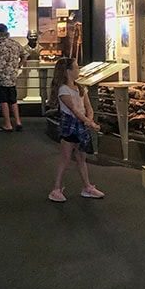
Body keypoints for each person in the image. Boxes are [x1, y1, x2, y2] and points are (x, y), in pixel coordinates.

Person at [48, 58, 104, 203]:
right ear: (68, 71)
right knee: (66, 158)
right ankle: (56, 189)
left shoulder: (80, 88)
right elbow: (73, 110)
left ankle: (87, 186)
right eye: (76, 68)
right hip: (70, 126)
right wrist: (89, 123)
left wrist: (89, 120)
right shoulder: (63, 90)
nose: (78, 70)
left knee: (81, 157)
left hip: (81, 125)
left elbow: (87, 107)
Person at [0, 22, 28, 132]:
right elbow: (25, 55)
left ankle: (8, 124)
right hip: (12, 77)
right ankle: (18, 121)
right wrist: (19, 65)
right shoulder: (15, 44)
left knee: (3, 100)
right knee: (13, 100)